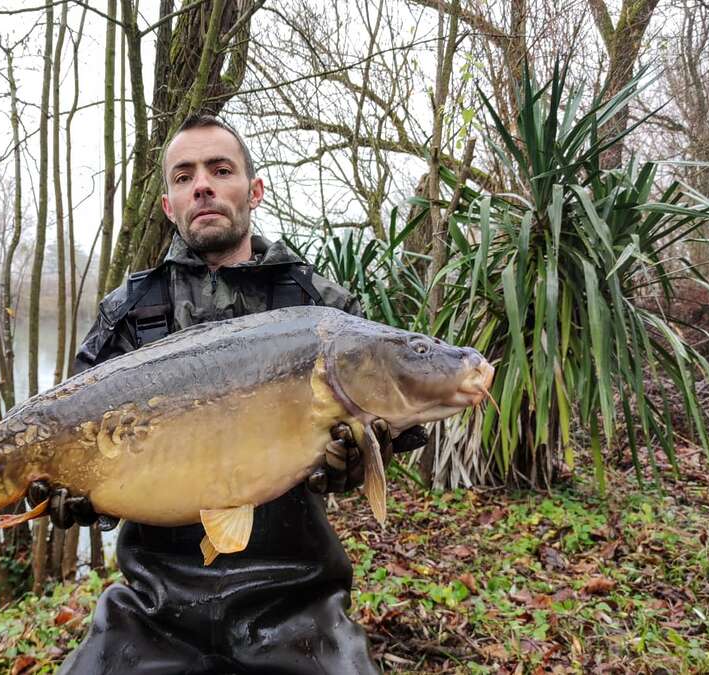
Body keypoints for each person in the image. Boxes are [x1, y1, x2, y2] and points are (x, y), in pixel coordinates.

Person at [41, 114, 424, 675]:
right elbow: (74, 441)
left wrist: (354, 458)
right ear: (170, 205)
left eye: (221, 170)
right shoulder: (127, 311)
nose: (203, 184)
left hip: (295, 594)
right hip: (154, 602)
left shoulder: (320, 306)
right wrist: (71, 496)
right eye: (184, 175)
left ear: (254, 190)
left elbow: (393, 424)